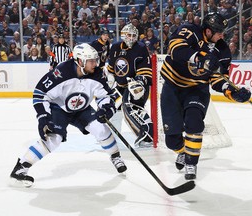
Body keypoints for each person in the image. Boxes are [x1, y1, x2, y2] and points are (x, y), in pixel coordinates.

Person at [10, 43, 127, 187]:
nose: (95, 64)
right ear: (80, 61)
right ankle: (21, 167)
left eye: (95, 60)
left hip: (82, 108)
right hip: (58, 108)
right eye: (91, 61)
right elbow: (40, 94)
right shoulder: (62, 72)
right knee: (54, 138)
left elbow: (107, 96)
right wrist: (42, 117)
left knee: (100, 128)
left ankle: (115, 157)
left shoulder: (97, 73)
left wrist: (106, 109)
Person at [160, 12, 251, 180]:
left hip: (197, 89)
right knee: (172, 140)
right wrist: (198, 57)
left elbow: (218, 77)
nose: (222, 35)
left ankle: (191, 163)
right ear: (208, 31)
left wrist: (231, 91)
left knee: (194, 123)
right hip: (172, 87)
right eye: (219, 31)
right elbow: (175, 48)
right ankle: (182, 151)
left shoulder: (222, 50)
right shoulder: (189, 31)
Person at [107, 23, 153, 147]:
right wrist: (110, 77)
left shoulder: (141, 47)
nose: (131, 38)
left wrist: (139, 81)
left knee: (131, 107)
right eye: (129, 35)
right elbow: (111, 67)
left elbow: (145, 68)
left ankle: (147, 135)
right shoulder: (115, 47)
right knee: (111, 107)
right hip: (120, 85)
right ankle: (114, 136)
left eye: (133, 35)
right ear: (123, 35)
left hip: (135, 85)